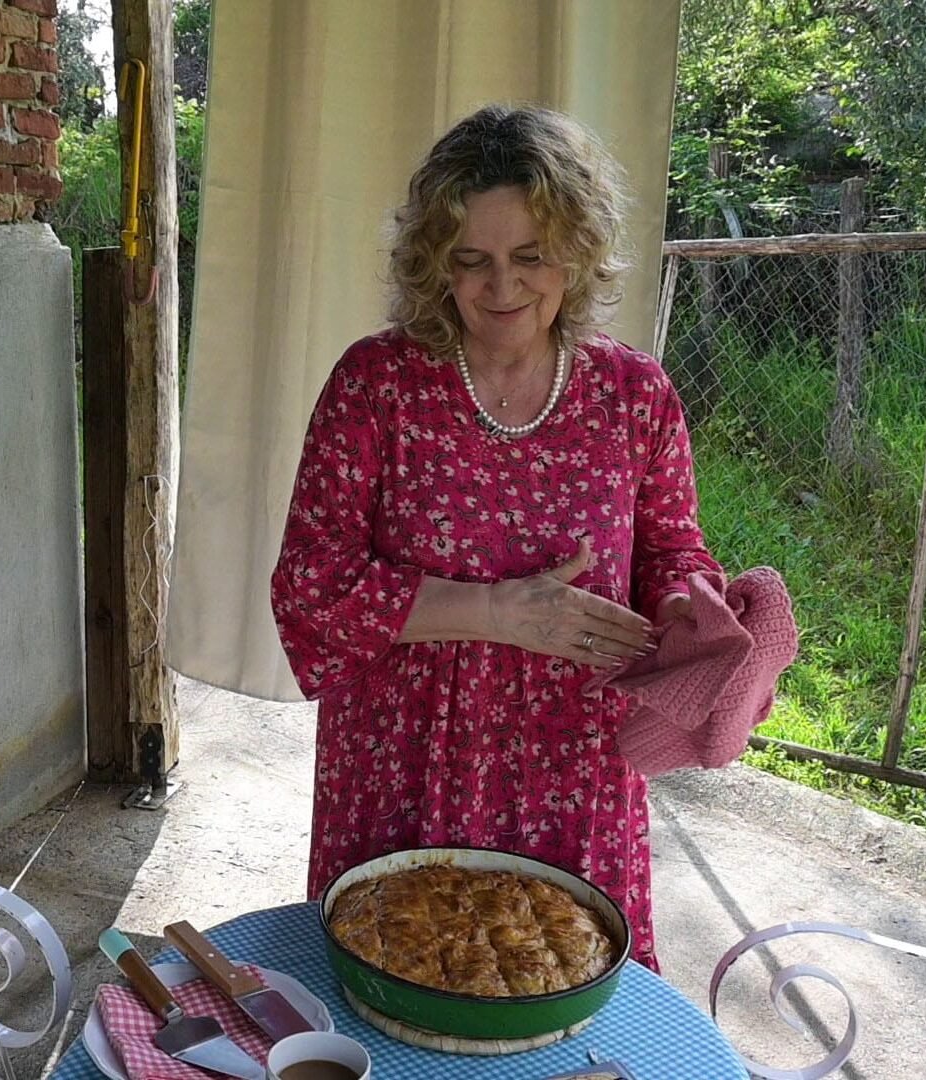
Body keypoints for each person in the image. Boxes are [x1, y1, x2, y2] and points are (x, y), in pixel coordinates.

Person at [269, 105, 721, 971]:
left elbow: (673, 548)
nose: (502, 286)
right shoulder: (377, 384)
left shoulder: (634, 394)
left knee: (564, 983)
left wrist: (684, 607)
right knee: (399, 972)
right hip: (403, 758)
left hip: (575, 762)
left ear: (577, 253)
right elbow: (310, 587)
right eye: (471, 259)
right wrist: (498, 613)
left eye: (531, 256)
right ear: (434, 261)